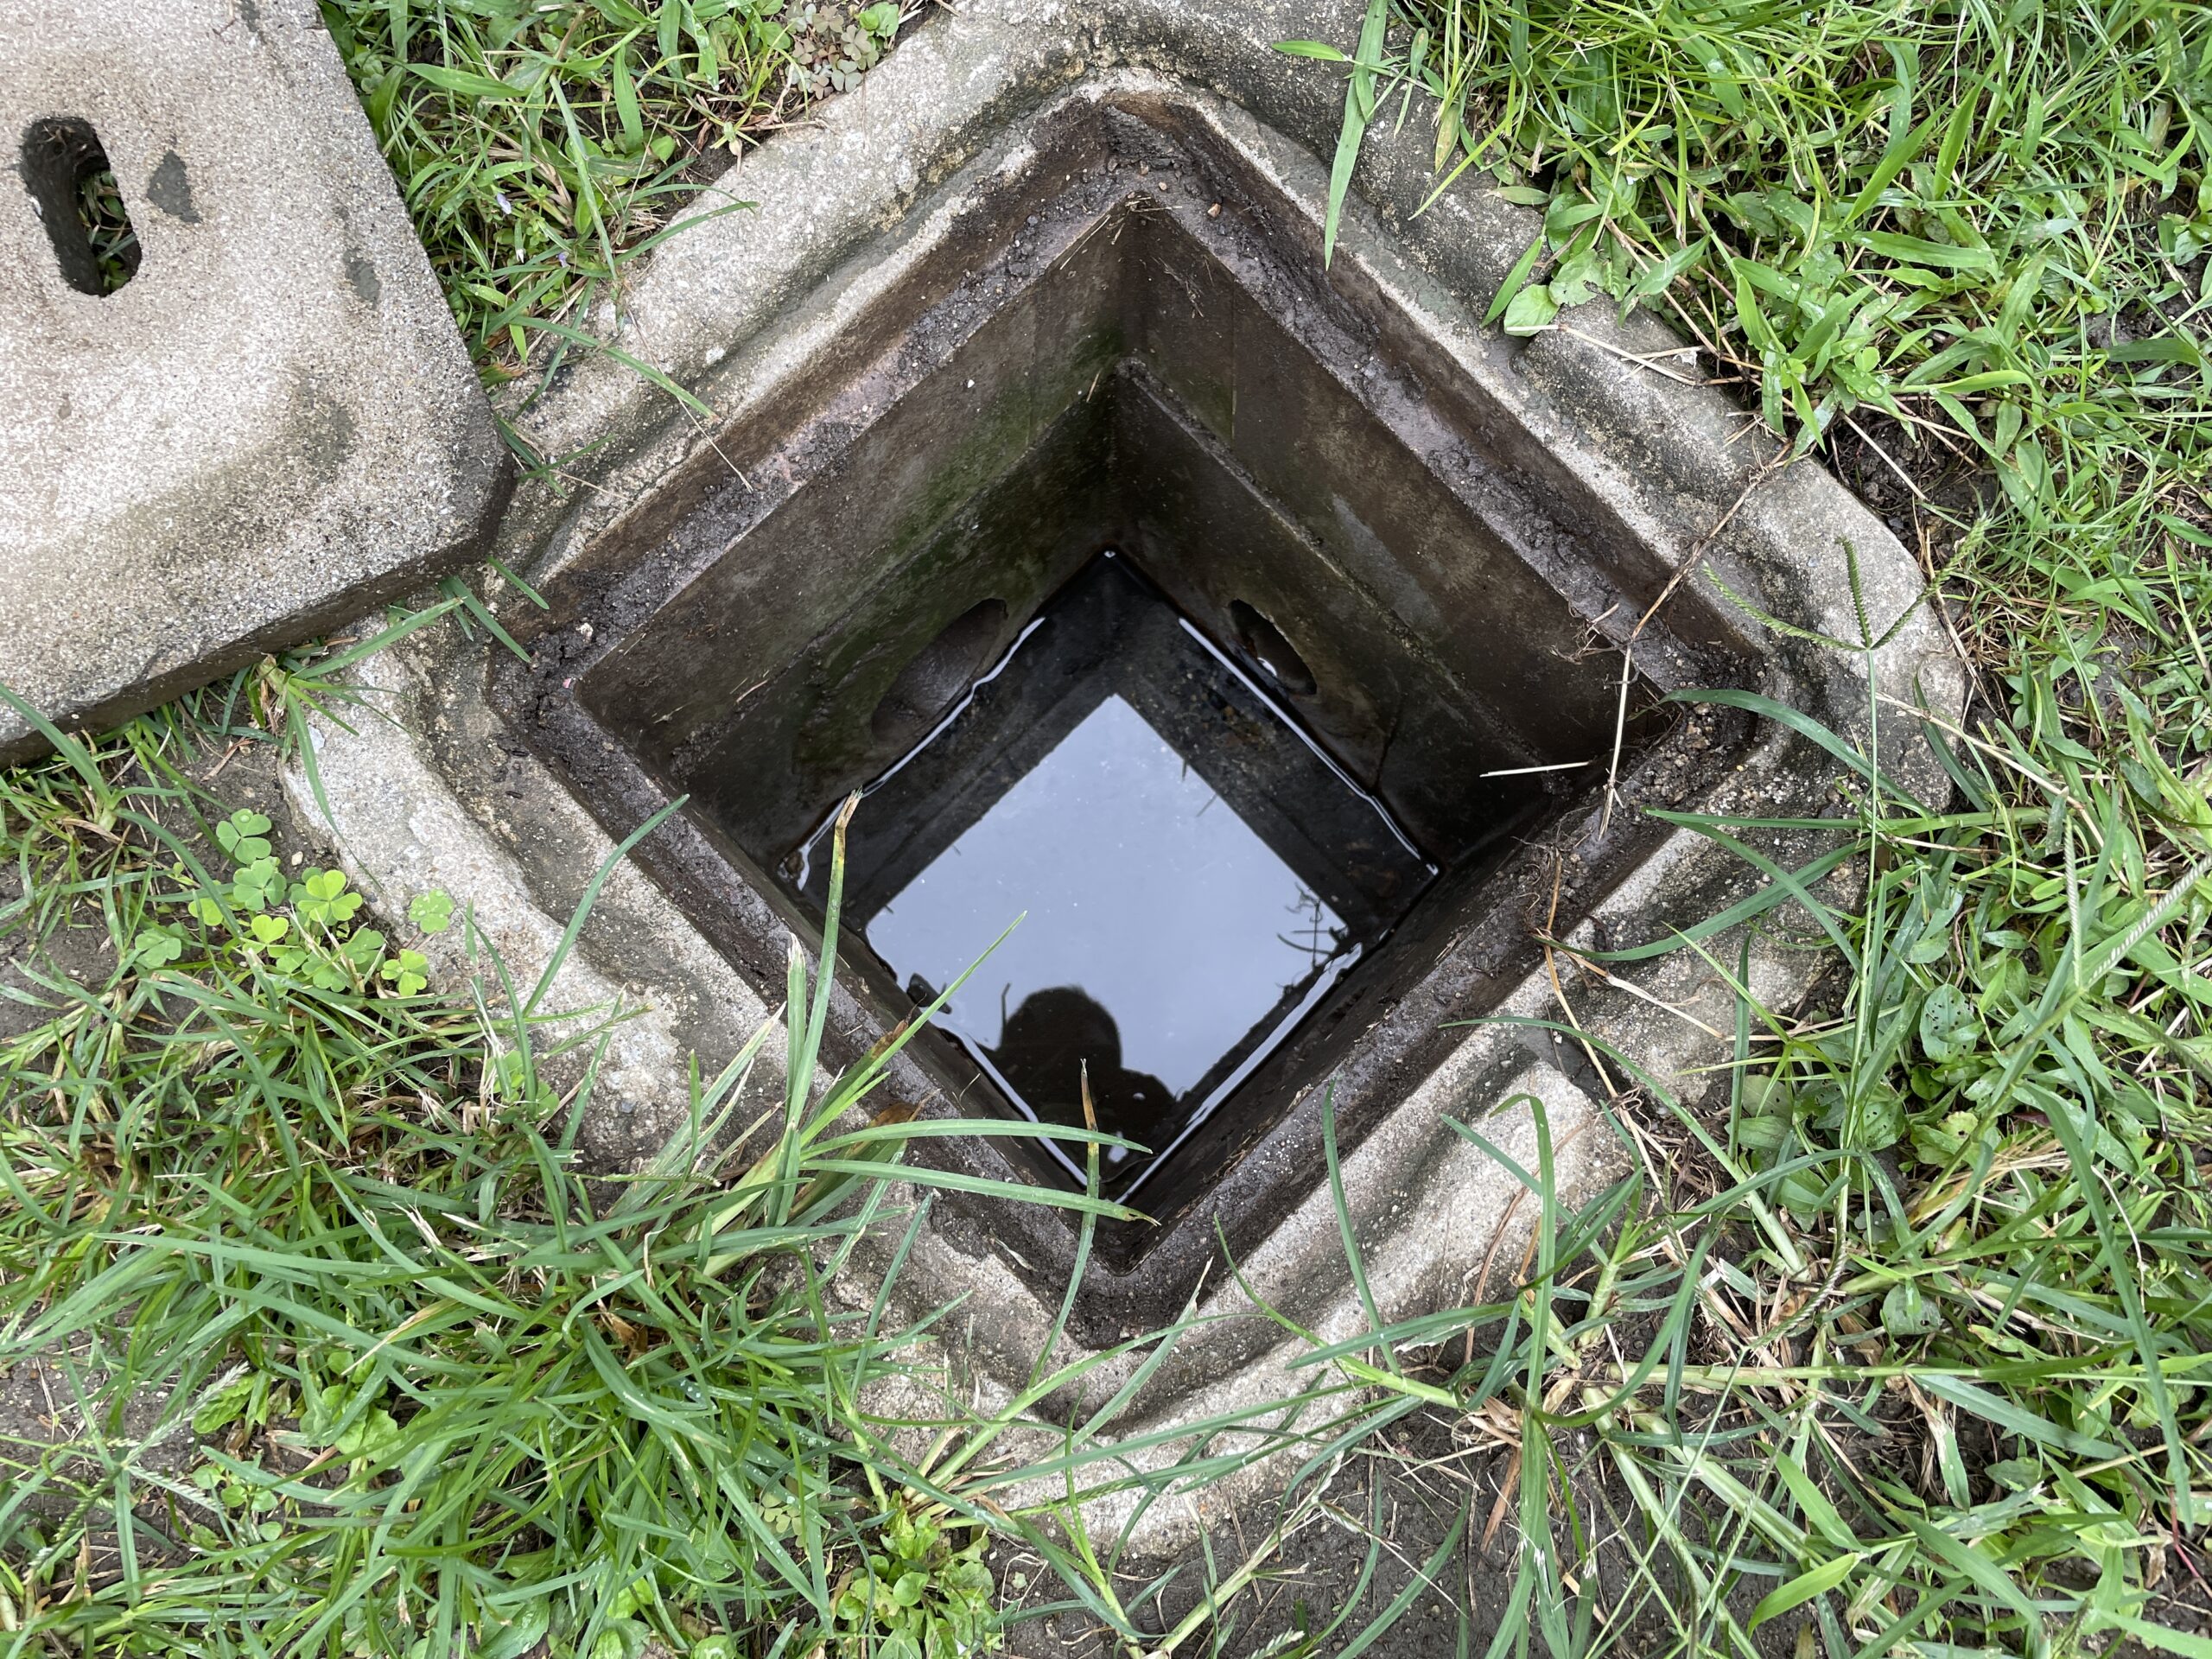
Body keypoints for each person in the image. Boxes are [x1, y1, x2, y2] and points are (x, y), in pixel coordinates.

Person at [984, 986, 1176, 1166]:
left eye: (1096, 1062)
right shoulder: (981, 1093)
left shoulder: (1115, 1175)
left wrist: (1158, 1128)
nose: (1081, 1080)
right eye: (1070, 1062)